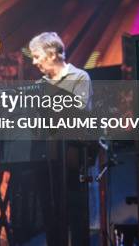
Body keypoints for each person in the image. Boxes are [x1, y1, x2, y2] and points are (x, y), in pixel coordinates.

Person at [27, 31, 92, 246]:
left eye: (37, 56)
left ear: (53, 53)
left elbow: (78, 115)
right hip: (44, 160)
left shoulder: (79, 78)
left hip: (71, 159)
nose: (34, 62)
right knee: (50, 216)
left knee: (76, 213)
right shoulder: (37, 87)